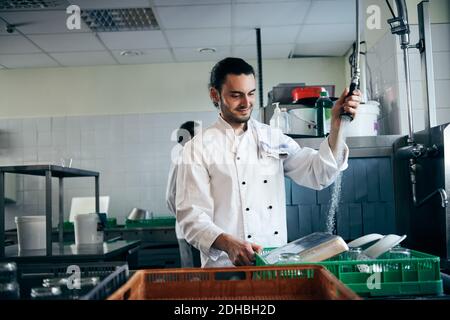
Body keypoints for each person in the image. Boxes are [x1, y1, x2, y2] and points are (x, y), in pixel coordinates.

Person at [176, 57, 361, 268]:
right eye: (236, 95)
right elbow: (191, 217)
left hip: (274, 264)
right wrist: (227, 243)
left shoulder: (272, 137)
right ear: (214, 95)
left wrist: (336, 125)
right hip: (225, 269)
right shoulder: (197, 148)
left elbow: (318, 173)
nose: (246, 103)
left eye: (251, 93)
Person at [166, 120, 201, 267]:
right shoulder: (181, 158)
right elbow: (170, 195)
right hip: (188, 229)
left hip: (202, 228)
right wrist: (184, 217)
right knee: (194, 277)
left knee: (204, 277)